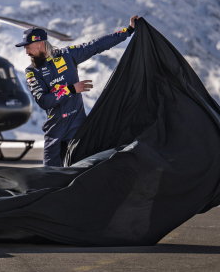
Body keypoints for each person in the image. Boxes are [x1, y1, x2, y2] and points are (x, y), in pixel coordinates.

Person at [18, 16, 139, 167]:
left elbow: (96, 45)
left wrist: (128, 31)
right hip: (55, 129)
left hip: (77, 125)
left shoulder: (67, 55)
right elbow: (44, 101)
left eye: (28, 47)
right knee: (49, 175)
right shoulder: (32, 71)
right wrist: (71, 89)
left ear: (41, 44)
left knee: (83, 170)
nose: (27, 52)